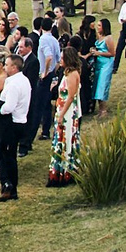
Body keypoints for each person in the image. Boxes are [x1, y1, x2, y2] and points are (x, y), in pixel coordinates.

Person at [0, 54, 30, 202]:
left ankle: (7, 185)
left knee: (2, 155)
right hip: (20, 122)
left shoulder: (13, 84)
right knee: (10, 156)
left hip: (11, 124)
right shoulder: (24, 80)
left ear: (14, 67)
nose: (4, 67)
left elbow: (8, 107)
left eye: (7, 64)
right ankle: (12, 189)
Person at [45, 53, 83, 187]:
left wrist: (61, 114)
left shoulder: (72, 75)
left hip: (67, 113)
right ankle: (59, 170)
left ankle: (65, 172)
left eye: (62, 58)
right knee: (60, 139)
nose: (60, 60)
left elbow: (71, 97)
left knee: (66, 139)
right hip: (62, 109)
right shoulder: (67, 74)